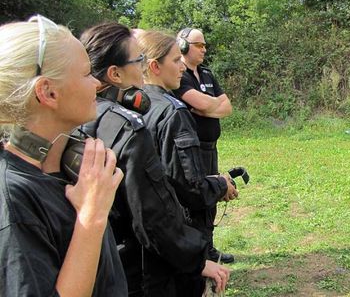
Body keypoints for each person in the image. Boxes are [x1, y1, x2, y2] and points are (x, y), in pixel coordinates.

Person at [79, 22, 229, 296]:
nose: (142, 68)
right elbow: (153, 213)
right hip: (146, 267)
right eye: (138, 61)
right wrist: (196, 258)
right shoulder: (130, 126)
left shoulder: (79, 120)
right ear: (115, 74)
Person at [0, 15, 127, 296]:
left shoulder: (68, 168)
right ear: (48, 92)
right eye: (85, 74)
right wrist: (92, 216)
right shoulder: (13, 199)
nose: (96, 83)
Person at [135, 30, 236, 294]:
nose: (182, 66)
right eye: (175, 60)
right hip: (178, 229)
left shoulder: (132, 105)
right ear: (154, 66)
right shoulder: (172, 113)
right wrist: (220, 184)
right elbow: (190, 189)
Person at [173, 27, 235, 263]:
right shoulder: (179, 76)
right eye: (199, 45)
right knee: (195, 199)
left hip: (211, 147)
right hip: (192, 149)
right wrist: (210, 105)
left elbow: (226, 107)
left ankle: (208, 248)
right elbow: (200, 102)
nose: (204, 49)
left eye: (204, 45)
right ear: (184, 47)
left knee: (213, 195)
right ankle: (197, 251)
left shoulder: (207, 74)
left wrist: (205, 107)